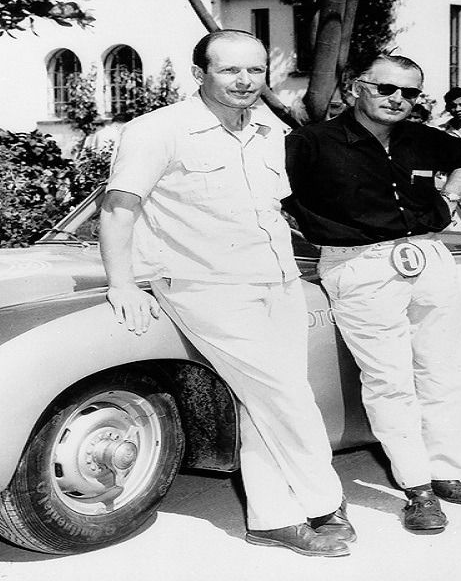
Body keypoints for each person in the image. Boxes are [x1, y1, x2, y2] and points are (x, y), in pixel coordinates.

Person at [98, 30, 351, 557]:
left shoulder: (266, 130)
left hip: (277, 280)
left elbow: (279, 209)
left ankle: (273, 518)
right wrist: (122, 282)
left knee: (263, 399)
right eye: (229, 70)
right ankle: (325, 501)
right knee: (284, 392)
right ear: (200, 74)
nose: (244, 81)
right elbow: (119, 208)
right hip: (205, 285)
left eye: (255, 71)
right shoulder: (157, 130)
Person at [284, 53, 461, 534]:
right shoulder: (311, 142)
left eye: (411, 93)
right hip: (359, 265)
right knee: (389, 381)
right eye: (387, 89)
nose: (399, 100)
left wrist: (451, 199)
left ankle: (446, 472)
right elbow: (273, 194)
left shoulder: (421, 138)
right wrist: (307, 224)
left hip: (429, 255)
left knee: (446, 371)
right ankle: (416, 489)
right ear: (357, 88)